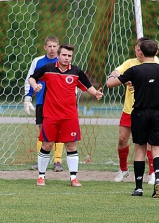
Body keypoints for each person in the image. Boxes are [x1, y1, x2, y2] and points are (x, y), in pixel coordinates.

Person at [106, 40, 159, 198]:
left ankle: (138, 187)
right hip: (158, 113)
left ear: (140, 52)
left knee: (140, 149)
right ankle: (158, 180)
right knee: (157, 148)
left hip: (139, 112)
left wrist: (113, 76)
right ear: (157, 53)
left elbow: (110, 84)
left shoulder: (134, 70)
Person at [28, 43, 103, 187]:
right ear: (58, 55)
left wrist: (96, 93)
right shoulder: (48, 69)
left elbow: (87, 86)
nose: (67, 58)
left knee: (71, 145)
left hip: (69, 115)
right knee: (47, 144)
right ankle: (41, 177)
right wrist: (34, 86)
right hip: (50, 115)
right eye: (64, 55)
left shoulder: (76, 71)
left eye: (69, 56)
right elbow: (32, 78)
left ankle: (73, 178)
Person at [109, 37, 158, 185]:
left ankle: (152, 172)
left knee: (148, 141)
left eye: (141, 50)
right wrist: (125, 79)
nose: (139, 52)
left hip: (147, 108)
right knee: (122, 139)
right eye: (137, 49)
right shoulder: (130, 63)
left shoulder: (154, 62)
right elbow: (114, 73)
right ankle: (123, 169)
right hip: (129, 110)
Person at [24, 36, 64, 172]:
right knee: (42, 130)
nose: (52, 49)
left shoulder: (62, 61)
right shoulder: (38, 61)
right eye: (50, 46)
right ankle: (40, 160)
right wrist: (28, 97)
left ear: (58, 47)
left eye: (55, 46)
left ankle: (58, 161)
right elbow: (30, 78)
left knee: (58, 130)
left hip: (58, 102)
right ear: (45, 47)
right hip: (42, 101)